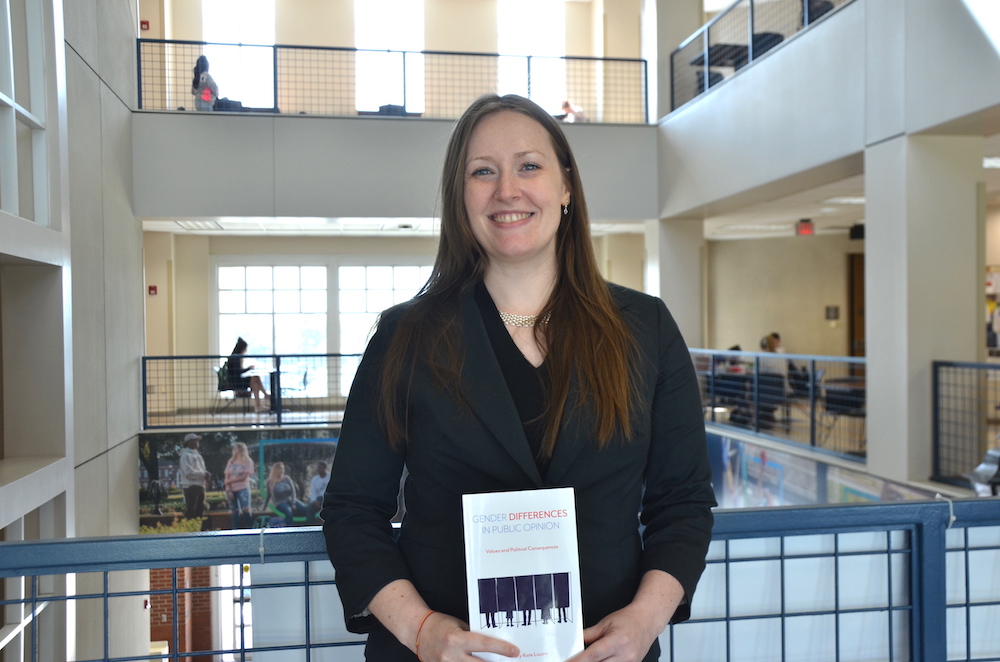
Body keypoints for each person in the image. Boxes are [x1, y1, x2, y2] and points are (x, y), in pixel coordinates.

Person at [321, 93, 716, 662]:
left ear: (566, 187)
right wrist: (422, 630)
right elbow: (353, 510)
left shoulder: (644, 329)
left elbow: (682, 502)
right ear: (461, 199)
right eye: (483, 172)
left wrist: (643, 623)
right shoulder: (405, 336)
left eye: (529, 166)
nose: (507, 190)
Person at [226, 337, 270, 412]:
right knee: (256, 377)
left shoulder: (235, 357)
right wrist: (248, 368)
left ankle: (258, 406)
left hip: (237, 380)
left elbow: (238, 372)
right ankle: (266, 395)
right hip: (236, 382)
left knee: (255, 385)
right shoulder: (235, 358)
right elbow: (238, 372)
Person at [263, 461, 307, 526]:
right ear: (275, 470)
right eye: (280, 469)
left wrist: (293, 503)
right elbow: (268, 495)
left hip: (290, 500)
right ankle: (289, 530)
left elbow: (293, 491)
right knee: (288, 512)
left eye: (283, 469)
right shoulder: (270, 482)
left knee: (304, 509)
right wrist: (264, 508)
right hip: (280, 503)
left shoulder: (287, 478)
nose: (282, 470)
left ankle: (304, 527)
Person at [178, 433, 210, 520]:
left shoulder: (198, 456)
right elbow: (189, 472)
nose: (197, 442)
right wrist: (203, 475)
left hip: (200, 486)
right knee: (191, 512)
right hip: (191, 486)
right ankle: (191, 531)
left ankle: (198, 530)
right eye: (195, 440)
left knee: (200, 511)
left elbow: (202, 469)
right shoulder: (186, 455)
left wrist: (206, 474)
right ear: (189, 442)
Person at [223, 442, 255, 528]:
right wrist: (228, 489)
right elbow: (226, 476)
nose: (234, 450)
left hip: (243, 488)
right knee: (234, 510)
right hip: (232, 489)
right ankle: (235, 530)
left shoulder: (247, 461)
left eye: (236, 448)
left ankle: (249, 528)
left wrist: (230, 481)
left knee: (246, 508)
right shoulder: (231, 461)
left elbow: (245, 476)